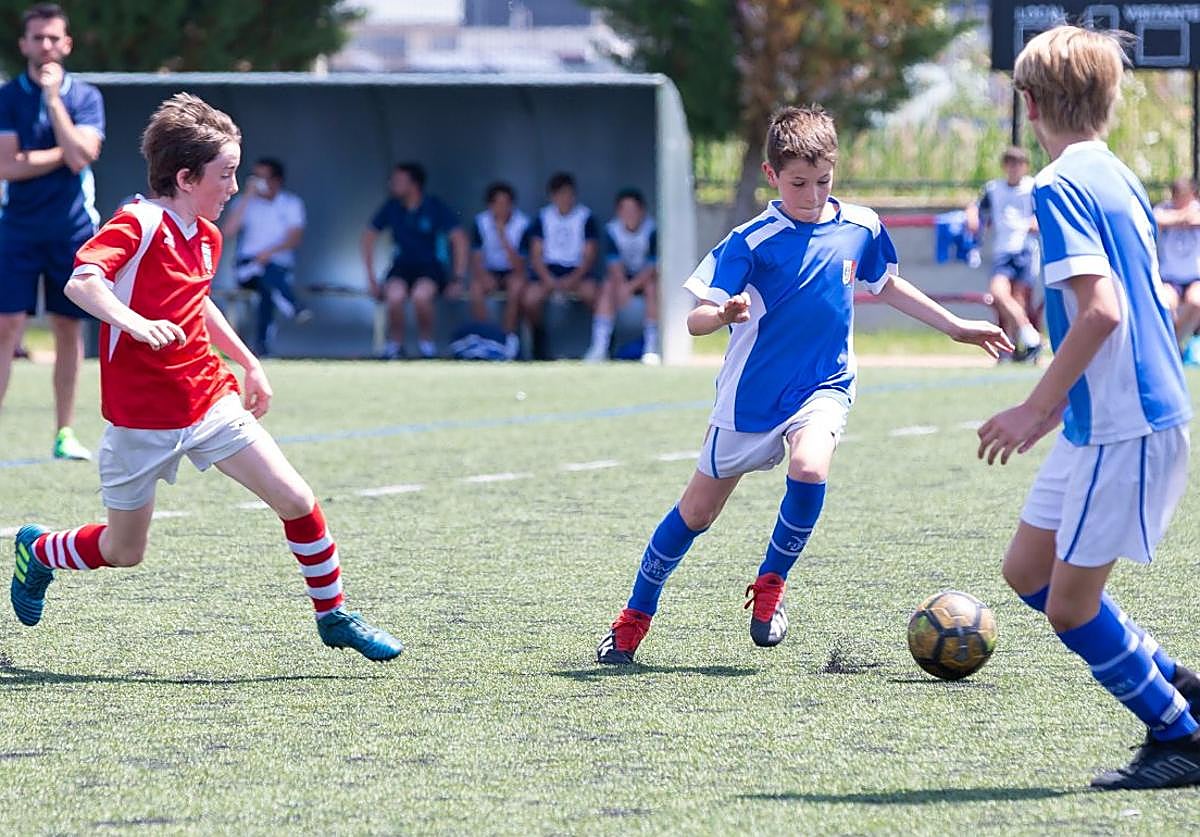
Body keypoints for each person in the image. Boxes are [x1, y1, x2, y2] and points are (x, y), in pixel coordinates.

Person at [595, 106, 1009, 665]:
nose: (812, 195)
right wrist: (724, 315)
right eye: (798, 184)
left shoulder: (860, 227)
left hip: (824, 384)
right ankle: (633, 619)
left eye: (823, 181)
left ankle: (770, 587)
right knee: (696, 514)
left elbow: (886, 285)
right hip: (750, 400)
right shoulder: (751, 241)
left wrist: (957, 327)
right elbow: (693, 319)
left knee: (811, 466)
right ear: (771, 175)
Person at [9, 92, 403, 662]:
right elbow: (81, 283)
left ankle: (334, 614)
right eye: (227, 174)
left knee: (295, 498)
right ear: (187, 177)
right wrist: (136, 323)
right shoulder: (138, 222)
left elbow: (198, 304)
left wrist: (247, 361)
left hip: (207, 399)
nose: (235, 187)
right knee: (124, 551)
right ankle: (40, 550)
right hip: (142, 420)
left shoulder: (207, 235)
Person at [976, 26, 1200, 791]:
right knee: (1027, 570)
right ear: (1107, 102)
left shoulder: (1057, 184)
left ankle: (1183, 735)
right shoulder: (1114, 172)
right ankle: (1178, 685)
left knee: (1071, 608)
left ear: (1028, 103)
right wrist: (1052, 413)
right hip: (1099, 419)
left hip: (1126, 423)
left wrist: (1032, 404)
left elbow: (1101, 311)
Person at [0, 3, 103, 460]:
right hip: (17, 230)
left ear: (67, 44)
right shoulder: (7, 97)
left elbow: (83, 156)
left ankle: (65, 433)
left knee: (67, 326)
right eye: (36, 37)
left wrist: (55, 101)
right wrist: (64, 152)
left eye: (52, 38)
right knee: (7, 326)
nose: (44, 46)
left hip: (72, 231)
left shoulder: (85, 97)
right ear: (23, 44)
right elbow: (7, 165)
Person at [361, 162, 468, 359]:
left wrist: (458, 278)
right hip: (401, 267)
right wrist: (371, 278)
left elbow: (459, 239)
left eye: (399, 181)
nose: (393, 184)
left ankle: (426, 345)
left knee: (421, 296)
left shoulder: (434, 206)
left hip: (431, 267)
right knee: (394, 296)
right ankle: (396, 346)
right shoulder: (392, 207)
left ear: (414, 184)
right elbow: (368, 236)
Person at [219, 156, 309, 357]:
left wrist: (268, 254)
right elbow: (229, 230)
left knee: (268, 287)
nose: (257, 182)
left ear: (276, 180)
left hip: (278, 268)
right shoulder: (243, 202)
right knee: (266, 278)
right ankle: (292, 304)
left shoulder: (291, 203)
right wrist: (247, 197)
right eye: (255, 176)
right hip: (248, 267)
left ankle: (262, 345)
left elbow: (295, 238)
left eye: (262, 177)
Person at [964, 146, 1042, 362]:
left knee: (1017, 299)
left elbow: (1044, 211)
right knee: (999, 294)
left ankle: (1014, 350)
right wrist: (972, 215)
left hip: (1025, 248)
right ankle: (1030, 337)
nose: (1014, 169)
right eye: (1010, 164)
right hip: (1003, 249)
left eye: (1018, 164)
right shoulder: (994, 188)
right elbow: (976, 205)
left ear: (1025, 166)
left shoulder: (1032, 187)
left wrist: (1038, 221)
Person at [522, 172, 598, 358]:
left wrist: (572, 279)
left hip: (576, 271)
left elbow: (589, 255)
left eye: (569, 194)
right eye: (561, 194)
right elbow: (536, 254)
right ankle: (538, 342)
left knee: (593, 295)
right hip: (549, 270)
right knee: (530, 299)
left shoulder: (585, 217)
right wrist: (548, 279)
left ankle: (600, 343)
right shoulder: (543, 217)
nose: (565, 199)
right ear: (552, 196)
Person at [584, 188, 660, 364]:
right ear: (618, 212)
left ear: (642, 211)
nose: (629, 215)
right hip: (621, 279)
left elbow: (652, 267)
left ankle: (651, 348)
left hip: (644, 278)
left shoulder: (652, 230)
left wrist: (630, 287)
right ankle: (599, 348)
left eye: (633, 210)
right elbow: (614, 265)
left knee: (652, 287)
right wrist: (623, 286)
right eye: (624, 210)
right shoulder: (612, 230)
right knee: (607, 287)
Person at [467, 181, 529, 360]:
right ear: (490, 205)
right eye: (497, 203)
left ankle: (506, 340)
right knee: (476, 288)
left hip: (512, 272)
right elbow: (476, 258)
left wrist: (503, 236)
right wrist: (484, 276)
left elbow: (520, 266)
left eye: (506, 203)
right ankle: (486, 338)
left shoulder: (522, 223)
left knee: (516, 287)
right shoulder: (480, 222)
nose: (502, 208)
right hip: (490, 271)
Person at [1153, 177, 1200, 363]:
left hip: (1194, 277)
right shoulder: (1163, 208)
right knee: (1165, 304)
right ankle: (1170, 346)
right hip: (1170, 278)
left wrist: (1179, 219)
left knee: (1196, 302)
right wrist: (1182, 218)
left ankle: (1173, 344)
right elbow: (1158, 219)